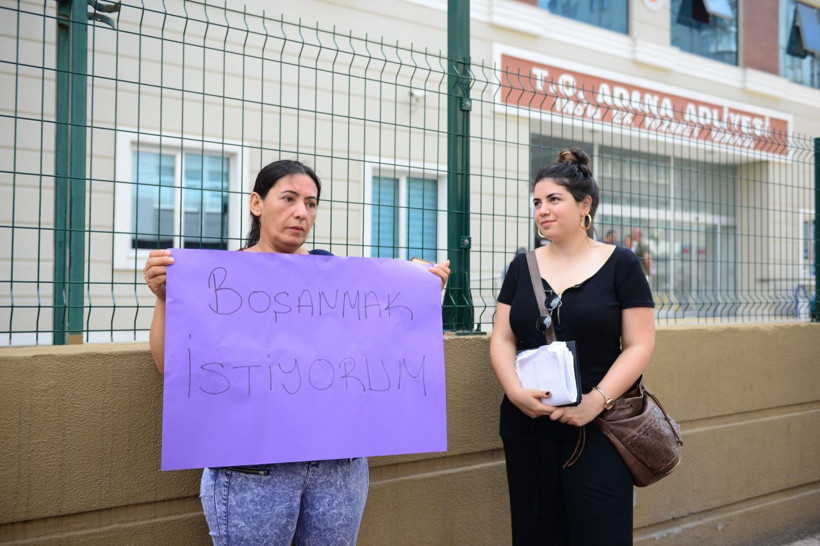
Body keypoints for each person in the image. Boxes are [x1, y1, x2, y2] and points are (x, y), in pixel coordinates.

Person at [143, 159, 450, 546]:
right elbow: (170, 365)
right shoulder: (217, 279)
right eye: (288, 198)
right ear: (257, 203)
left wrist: (418, 292)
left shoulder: (337, 279)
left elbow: (384, 346)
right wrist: (164, 299)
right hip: (251, 470)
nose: (301, 212)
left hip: (337, 468)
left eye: (311, 202)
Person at [489, 148, 655, 545]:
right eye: (536, 202)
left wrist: (595, 402)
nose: (542, 209)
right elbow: (501, 337)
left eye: (553, 199)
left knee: (602, 533)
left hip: (599, 426)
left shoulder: (622, 264)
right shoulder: (521, 266)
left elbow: (639, 343)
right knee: (536, 534)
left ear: (585, 206)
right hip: (529, 425)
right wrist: (515, 393)